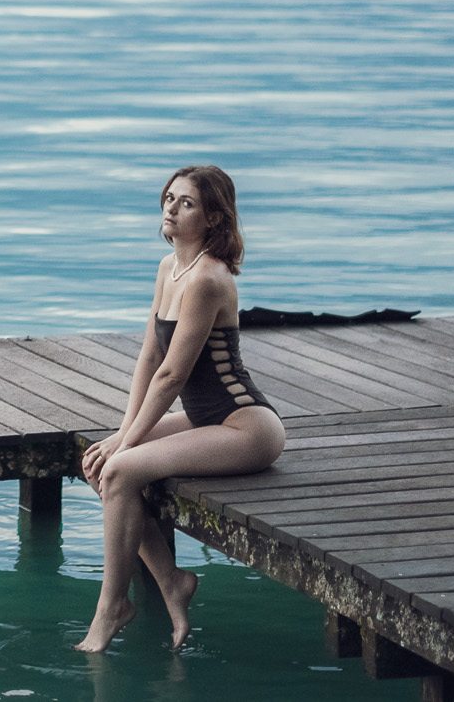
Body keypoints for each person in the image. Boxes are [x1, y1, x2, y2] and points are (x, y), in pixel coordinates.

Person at [72, 165, 287, 652]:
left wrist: (125, 444)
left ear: (213, 218)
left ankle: (112, 608)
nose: (171, 208)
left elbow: (172, 376)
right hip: (208, 420)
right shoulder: (170, 268)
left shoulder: (208, 279)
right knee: (98, 462)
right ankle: (171, 581)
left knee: (121, 469)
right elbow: (150, 357)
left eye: (185, 202)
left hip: (247, 427)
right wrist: (120, 435)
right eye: (169, 198)